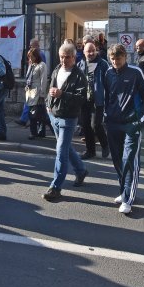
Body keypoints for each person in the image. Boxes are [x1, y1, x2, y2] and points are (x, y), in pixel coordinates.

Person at [103, 44, 144, 215]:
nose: (116, 61)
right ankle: (124, 191)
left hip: (131, 124)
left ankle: (128, 199)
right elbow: (107, 97)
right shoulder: (108, 73)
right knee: (117, 160)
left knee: (129, 160)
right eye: (113, 58)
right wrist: (105, 117)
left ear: (125, 57)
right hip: (113, 123)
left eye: (119, 58)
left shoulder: (136, 72)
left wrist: (140, 121)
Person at [42, 42, 88, 202]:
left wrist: (63, 94)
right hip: (54, 115)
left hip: (68, 118)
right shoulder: (57, 68)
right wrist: (48, 105)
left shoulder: (79, 75)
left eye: (67, 57)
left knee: (61, 151)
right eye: (61, 57)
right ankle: (81, 170)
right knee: (66, 148)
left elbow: (82, 99)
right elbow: (51, 87)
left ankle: (55, 187)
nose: (63, 60)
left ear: (74, 58)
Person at [77, 42, 109, 158]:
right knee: (85, 125)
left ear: (96, 50)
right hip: (84, 100)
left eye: (92, 50)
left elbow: (109, 82)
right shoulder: (81, 64)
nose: (90, 53)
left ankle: (105, 145)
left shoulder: (103, 64)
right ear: (84, 52)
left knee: (96, 125)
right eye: (88, 51)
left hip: (98, 100)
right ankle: (90, 151)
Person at [25, 47, 50, 140]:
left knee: (35, 114)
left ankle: (34, 132)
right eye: (29, 57)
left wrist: (42, 94)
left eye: (32, 57)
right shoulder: (31, 65)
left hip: (37, 92)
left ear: (36, 56)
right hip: (30, 92)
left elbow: (44, 80)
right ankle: (39, 131)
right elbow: (28, 77)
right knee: (37, 114)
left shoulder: (41, 65)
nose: (30, 59)